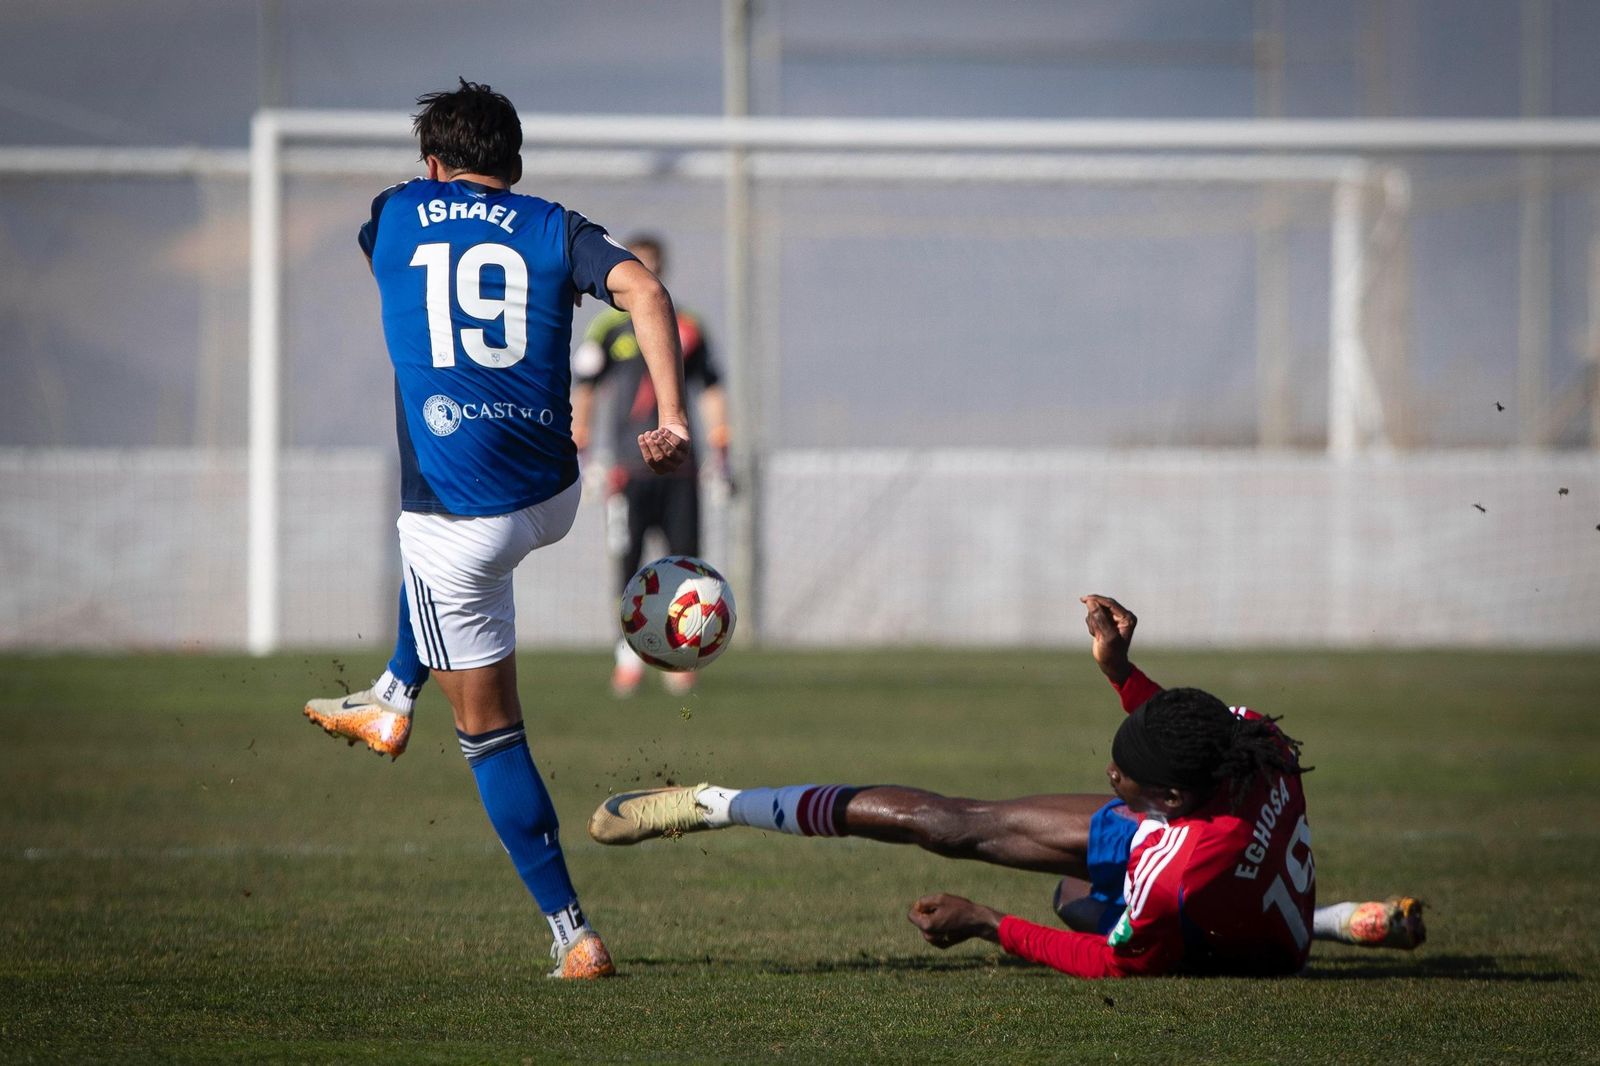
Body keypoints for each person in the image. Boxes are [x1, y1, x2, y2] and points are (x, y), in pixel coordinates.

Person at [301, 79, 692, 979]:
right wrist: (667, 415)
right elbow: (645, 289)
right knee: (430, 557)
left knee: (491, 735)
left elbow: (389, 254)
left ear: (433, 165)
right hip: (555, 493)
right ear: (515, 167)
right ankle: (396, 687)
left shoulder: (395, 215)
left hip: (460, 524)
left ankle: (574, 936)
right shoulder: (555, 226)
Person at [587, 594, 1425, 978]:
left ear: (1165, 802)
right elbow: (1184, 731)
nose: (1108, 774)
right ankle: (713, 803)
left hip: (1228, 942)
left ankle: (1321, 925)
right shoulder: (1251, 741)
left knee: (1068, 902)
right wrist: (1125, 675)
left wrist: (989, 924)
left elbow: (1110, 963)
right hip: (1228, 870)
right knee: (952, 822)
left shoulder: (1174, 874)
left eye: (1122, 775)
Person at [571, 235, 731, 697]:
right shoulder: (606, 330)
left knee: (686, 561)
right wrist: (583, 449)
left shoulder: (689, 327)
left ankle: (682, 654)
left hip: (679, 468)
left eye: (653, 264)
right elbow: (585, 389)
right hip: (626, 469)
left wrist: (721, 450)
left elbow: (712, 388)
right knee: (627, 562)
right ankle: (629, 655)